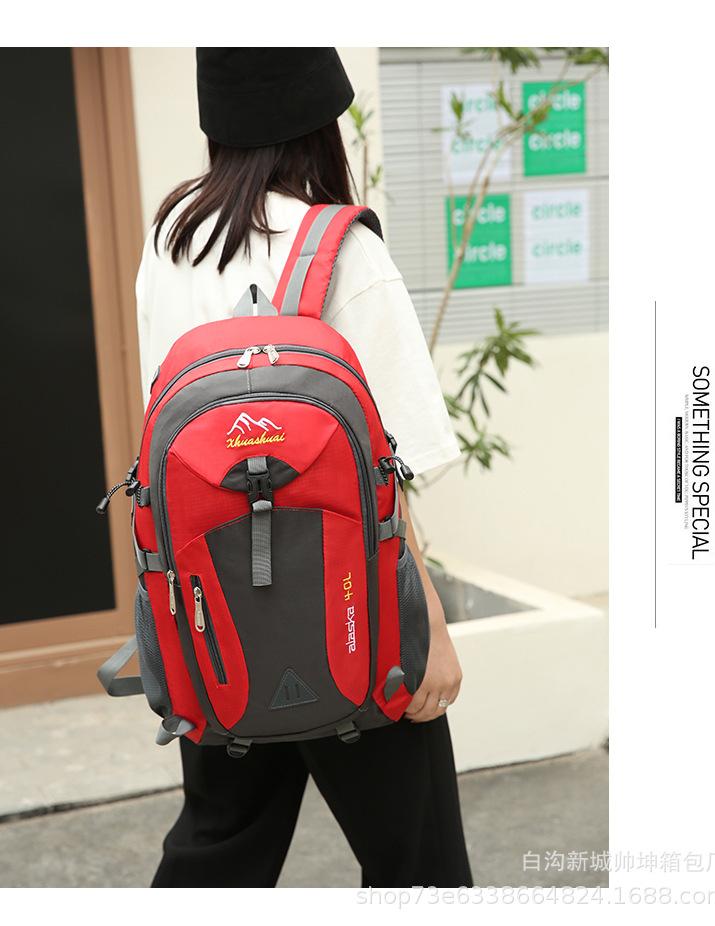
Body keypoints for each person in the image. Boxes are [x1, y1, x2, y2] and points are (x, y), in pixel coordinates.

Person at [136, 47, 472, 889]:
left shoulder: (173, 239)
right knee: (420, 866)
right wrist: (428, 630)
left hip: (213, 617)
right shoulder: (345, 249)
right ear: (322, 124)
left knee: (218, 854)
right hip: (354, 617)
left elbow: (164, 442)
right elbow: (392, 468)